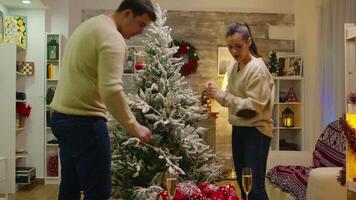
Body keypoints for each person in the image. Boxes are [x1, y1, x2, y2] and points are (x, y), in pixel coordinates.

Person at [49, 0, 156, 199]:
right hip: (85, 123)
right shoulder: (112, 38)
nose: (141, 32)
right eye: (140, 24)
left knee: (70, 187)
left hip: (61, 119)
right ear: (127, 14)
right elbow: (112, 90)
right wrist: (135, 127)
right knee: (98, 192)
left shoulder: (90, 25)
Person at [205, 22, 275, 200]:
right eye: (230, 47)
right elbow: (231, 98)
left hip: (256, 132)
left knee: (255, 188)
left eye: (238, 46)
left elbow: (251, 109)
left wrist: (223, 96)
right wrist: (219, 95)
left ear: (248, 42)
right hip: (239, 130)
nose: (234, 51)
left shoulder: (257, 69)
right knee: (244, 187)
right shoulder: (232, 67)